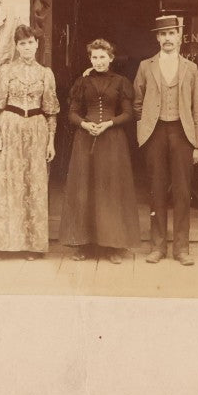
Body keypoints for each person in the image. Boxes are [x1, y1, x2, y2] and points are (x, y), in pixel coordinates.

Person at [0, 24, 59, 258]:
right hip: (10, 126)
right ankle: (3, 244)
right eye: (22, 43)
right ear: (16, 46)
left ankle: (30, 245)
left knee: (32, 185)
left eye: (31, 42)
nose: (27, 47)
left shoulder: (45, 74)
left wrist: (51, 140)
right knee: (6, 185)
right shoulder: (6, 72)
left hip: (36, 129)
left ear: (36, 44)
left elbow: (51, 110)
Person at [60, 39, 140, 264]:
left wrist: (109, 124)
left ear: (111, 58)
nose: (98, 61)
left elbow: (128, 113)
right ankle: (83, 245)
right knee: (85, 188)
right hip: (85, 140)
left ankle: (113, 246)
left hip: (113, 141)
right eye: (94, 57)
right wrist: (85, 124)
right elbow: (72, 113)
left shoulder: (121, 82)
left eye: (102, 57)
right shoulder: (82, 82)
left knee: (111, 190)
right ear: (90, 59)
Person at [133, 14, 198, 266]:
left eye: (171, 34)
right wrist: (147, 125)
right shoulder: (145, 66)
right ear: (157, 38)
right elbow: (137, 101)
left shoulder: (191, 68)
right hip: (155, 133)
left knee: (183, 192)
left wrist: (197, 144)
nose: (167, 39)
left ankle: (182, 249)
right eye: (162, 35)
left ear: (179, 36)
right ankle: (157, 247)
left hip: (182, 134)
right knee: (157, 190)